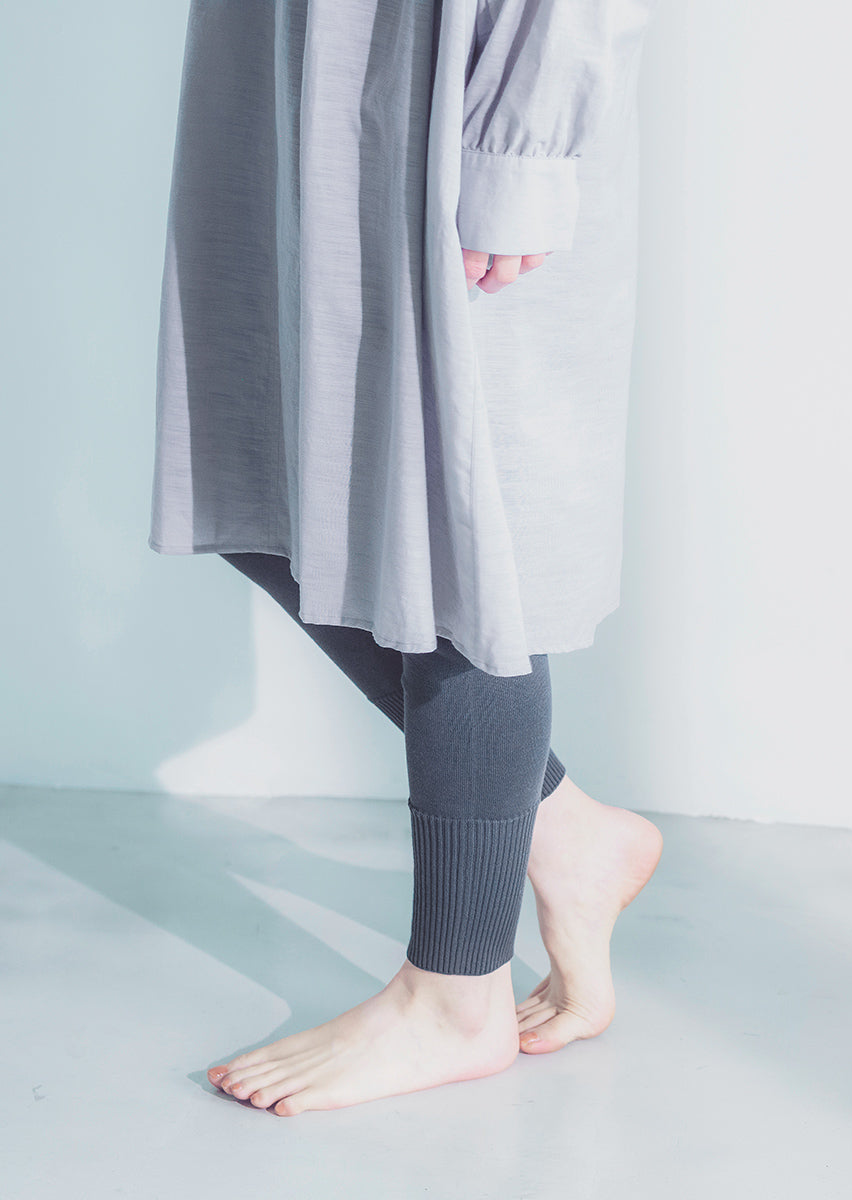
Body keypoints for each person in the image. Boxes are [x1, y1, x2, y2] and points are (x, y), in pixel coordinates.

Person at [147, 0, 662, 1115]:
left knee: (456, 536)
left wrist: (521, 144)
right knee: (262, 483)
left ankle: (457, 992)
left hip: (446, 78)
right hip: (284, 55)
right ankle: (562, 827)